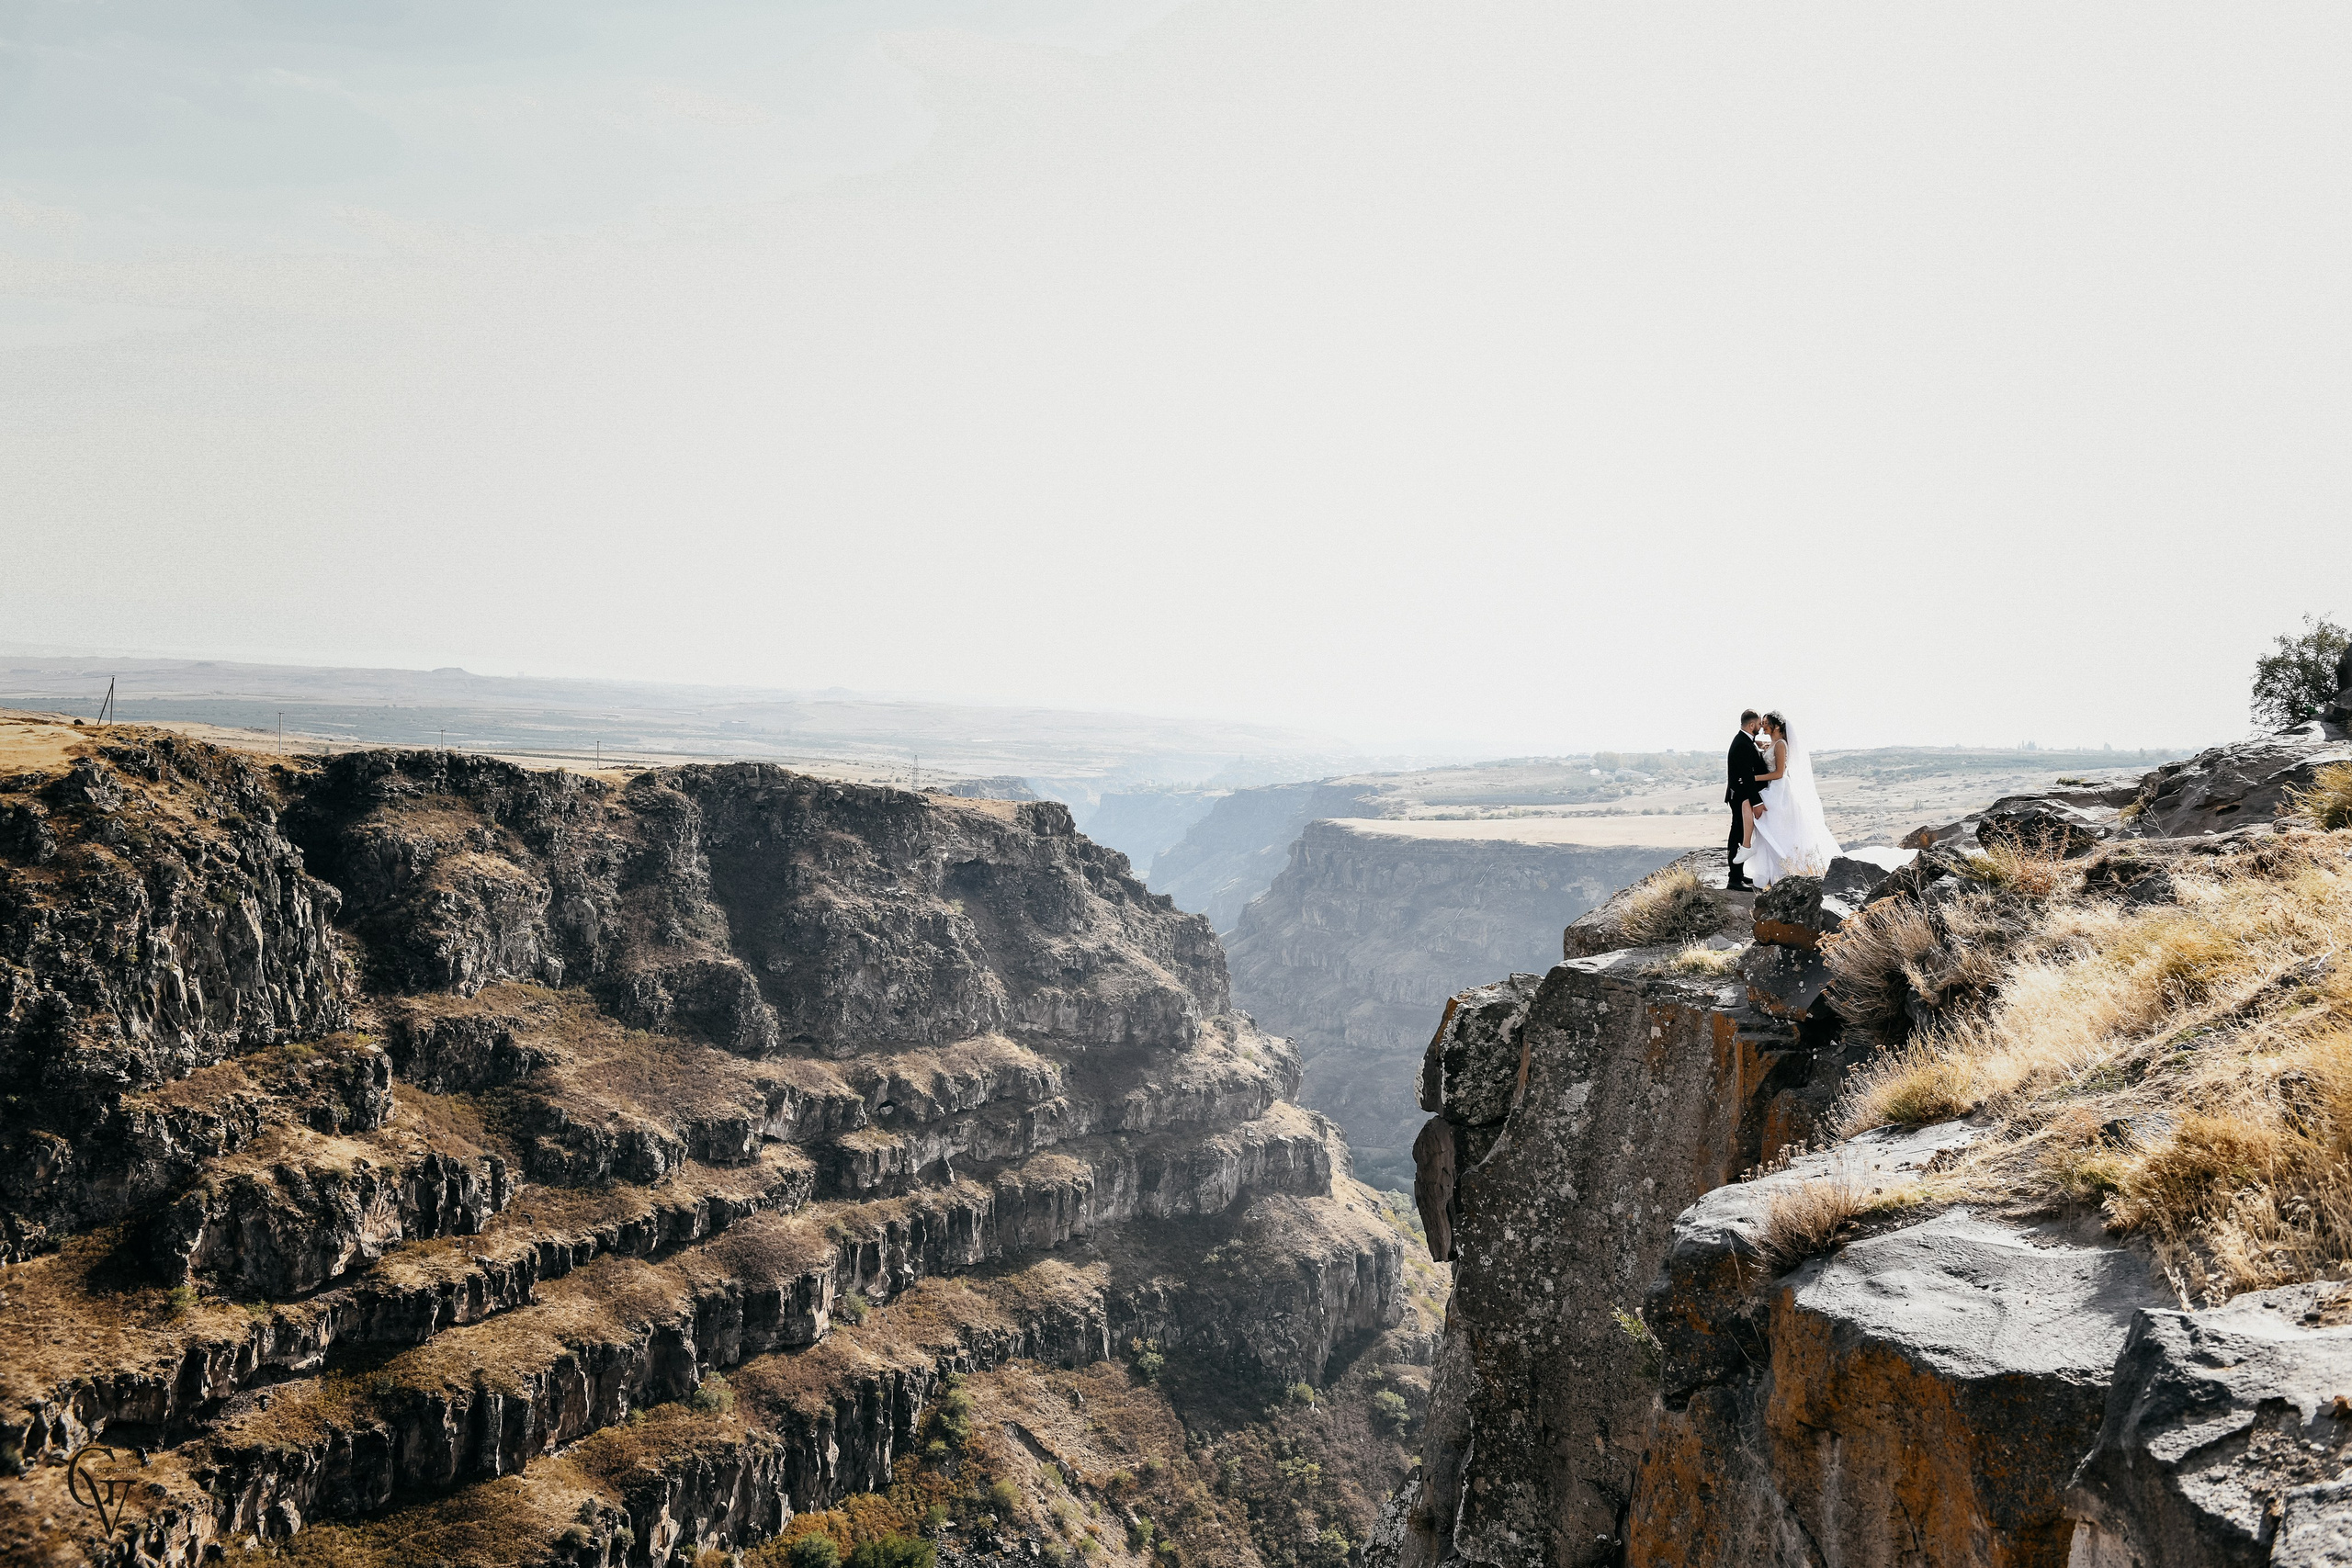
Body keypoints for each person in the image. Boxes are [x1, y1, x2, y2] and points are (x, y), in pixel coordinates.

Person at [1737, 711, 1842, 886]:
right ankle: (1766, 867)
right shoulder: (1772, 743)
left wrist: (1752, 778)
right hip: (1773, 788)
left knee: (1752, 808)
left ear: (1776, 726)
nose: (1762, 726)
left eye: (1765, 723)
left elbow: (1778, 773)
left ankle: (1749, 848)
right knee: (1770, 827)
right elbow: (1754, 742)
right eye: (1761, 722)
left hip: (1780, 790)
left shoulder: (1780, 745)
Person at [1724, 709, 1766, 891]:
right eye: (1758, 724)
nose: (1760, 727)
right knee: (1739, 836)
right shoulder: (1742, 744)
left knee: (1740, 834)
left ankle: (1738, 874)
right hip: (1741, 798)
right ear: (1751, 725)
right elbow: (1747, 777)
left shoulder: (1744, 741)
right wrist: (1757, 802)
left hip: (1740, 796)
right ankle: (1734, 879)